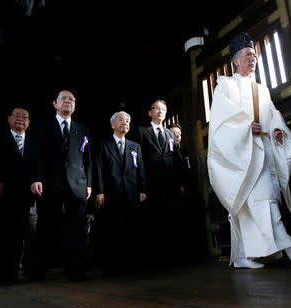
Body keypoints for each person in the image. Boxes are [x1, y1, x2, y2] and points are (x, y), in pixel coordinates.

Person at [207, 32, 291, 269]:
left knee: (260, 202)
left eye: (255, 56)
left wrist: (277, 131)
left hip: (263, 151)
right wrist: (246, 128)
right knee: (260, 201)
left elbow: (273, 116)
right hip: (242, 154)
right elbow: (221, 123)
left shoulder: (261, 89)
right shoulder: (225, 86)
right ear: (236, 60)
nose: (252, 59)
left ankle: (243, 257)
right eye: (247, 55)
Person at [29, 90, 92, 281]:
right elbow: (34, 155)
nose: (68, 101)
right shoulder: (42, 126)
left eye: (71, 99)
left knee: (78, 229)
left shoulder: (82, 129)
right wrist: (35, 178)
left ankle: (76, 270)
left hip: (78, 185)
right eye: (63, 98)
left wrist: (88, 183)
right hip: (49, 183)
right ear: (54, 104)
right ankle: (39, 270)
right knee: (46, 226)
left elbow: (87, 159)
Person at [129, 99, 184, 263]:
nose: (160, 111)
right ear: (150, 112)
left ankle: (172, 256)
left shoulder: (170, 134)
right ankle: (155, 258)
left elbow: (176, 158)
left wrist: (180, 181)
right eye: (156, 108)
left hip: (170, 183)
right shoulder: (141, 131)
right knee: (153, 219)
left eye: (163, 109)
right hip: (150, 183)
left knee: (171, 218)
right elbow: (136, 159)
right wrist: (140, 185)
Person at [94, 111, 146, 271]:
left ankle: (131, 262)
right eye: (121, 119)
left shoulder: (135, 146)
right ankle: (113, 264)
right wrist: (100, 192)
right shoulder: (103, 145)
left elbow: (140, 170)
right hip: (111, 193)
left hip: (132, 193)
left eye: (128, 120)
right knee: (114, 228)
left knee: (132, 227)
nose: (125, 122)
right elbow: (98, 170)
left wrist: (142, 190)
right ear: (112, 124)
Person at [0, 106, 34, 284]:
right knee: (5, 235)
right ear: (9, 119)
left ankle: (15, 272)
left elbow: (38, 166)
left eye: (25, 117)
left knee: (21, 236)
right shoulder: (0, 140)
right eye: (17, 116)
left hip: (27, 197)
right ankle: (3, 273)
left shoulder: (34, 142)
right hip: (4, 195)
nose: (21, 119)